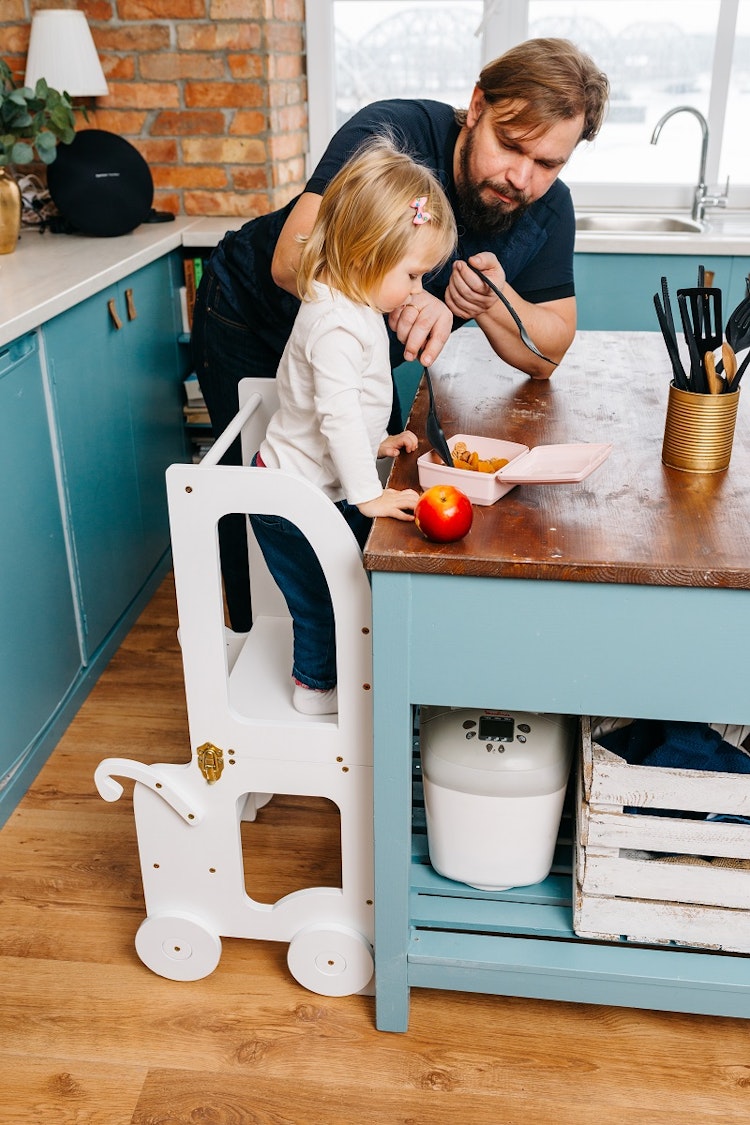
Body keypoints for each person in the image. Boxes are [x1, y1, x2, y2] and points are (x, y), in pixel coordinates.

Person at [191, 37, 609, 631]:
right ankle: (247, 637)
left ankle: (349, 643)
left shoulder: (548, 208)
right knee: (252, 493)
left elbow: (548, 353)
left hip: (355, 350)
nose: (522, 177)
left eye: (549, 163)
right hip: (255, 314)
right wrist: (421, 296)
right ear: (477, 105)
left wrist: (493, 303)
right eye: (511, 146)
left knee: (358, 495)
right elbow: (293, 262)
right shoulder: (393, 132)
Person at [248, 138, 457, 715]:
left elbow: (340, 411)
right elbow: (334, 413)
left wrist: (376, 444)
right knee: (319, 600)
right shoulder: (337, 324)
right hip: (291, 495)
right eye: (413, 276)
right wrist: (367, 492)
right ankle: (314, 692)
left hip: (311, 481)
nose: (418, 291)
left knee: (345, 591)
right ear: (366, 256)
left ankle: (343, 675)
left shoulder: (353, 304)